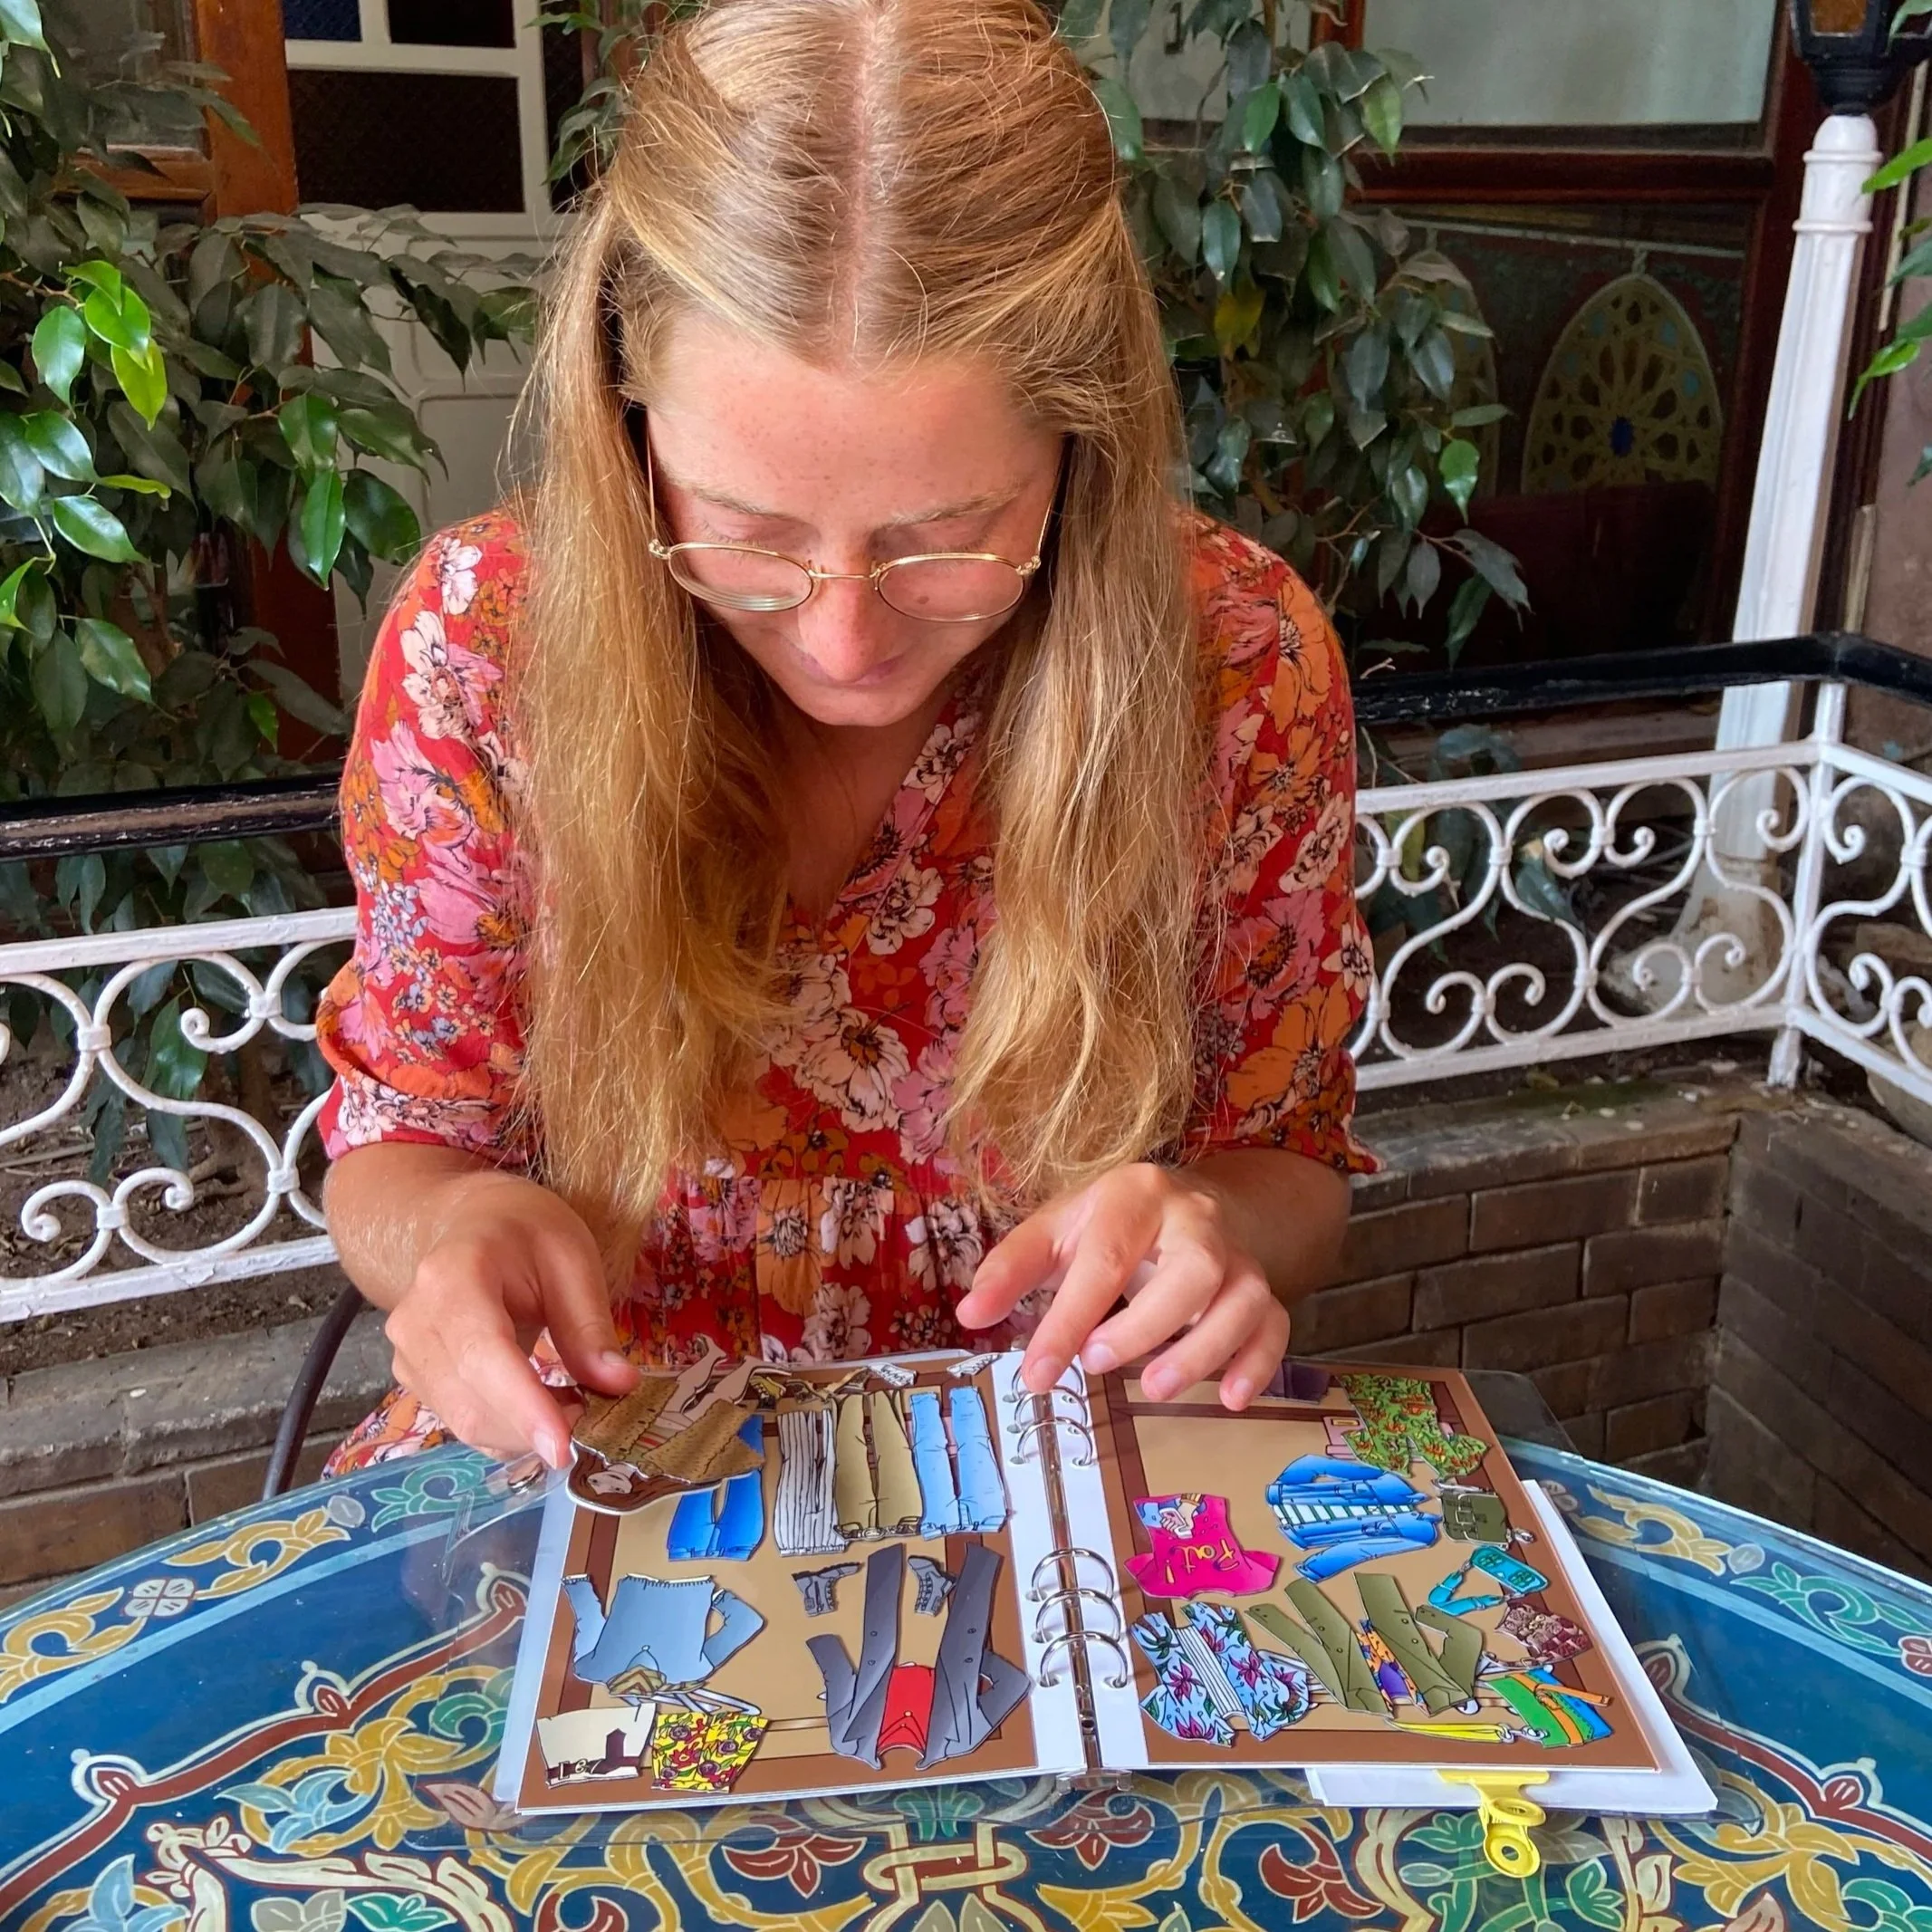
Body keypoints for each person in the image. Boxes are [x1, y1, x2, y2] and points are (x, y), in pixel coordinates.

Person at [314, 0, 1373, 1477]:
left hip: (1048, 1465)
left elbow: (1292, 1161)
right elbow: (397, 1140)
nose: (842, 639)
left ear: (1085, 448)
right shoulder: (487, 638)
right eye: (743, 537)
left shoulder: (1233, 656)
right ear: (628, 428)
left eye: (949, 539)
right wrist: (451, 1227)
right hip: (591, 1460)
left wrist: (1213, 1226)